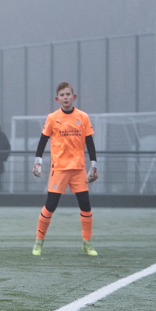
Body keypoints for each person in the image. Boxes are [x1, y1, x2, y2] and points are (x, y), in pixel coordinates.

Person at [31, 81, 99, 257]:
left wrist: (94, 164)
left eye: (68, 94)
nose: (65, 97)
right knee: (50, 205)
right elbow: (43, 140)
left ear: (73, 97)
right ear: (57, 99)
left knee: (85, 206)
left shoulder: (83, 117)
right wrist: (37, 161)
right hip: (59, 169)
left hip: (78, 169)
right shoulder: (53, 118)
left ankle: (87, 243)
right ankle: (38, 242)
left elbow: (89, 142)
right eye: (62, 95)